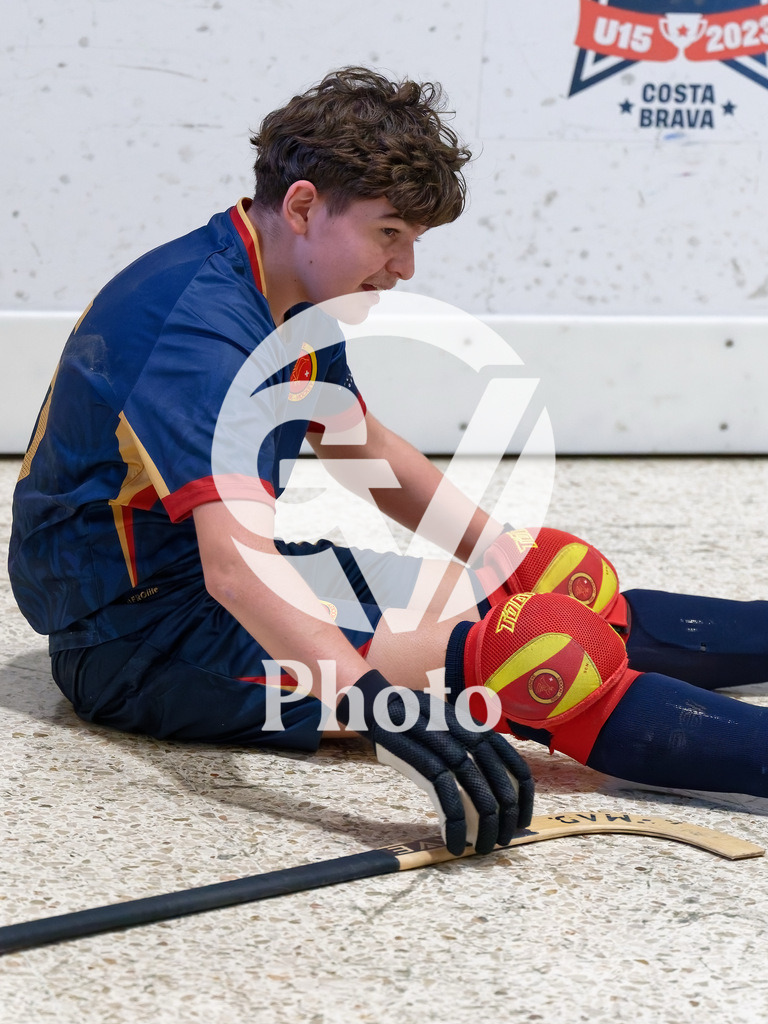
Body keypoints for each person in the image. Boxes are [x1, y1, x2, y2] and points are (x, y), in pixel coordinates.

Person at [10, 68, 768, 862]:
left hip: (204, 589)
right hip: (140, 640)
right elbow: (236, 573)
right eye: (389, 235)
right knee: (533, 659)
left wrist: (500, 561)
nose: (405, 269)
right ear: (304, 206)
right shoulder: (195, 335)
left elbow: (356, 444)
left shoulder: (282, 284)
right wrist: (379, 706)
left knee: (557, 587)